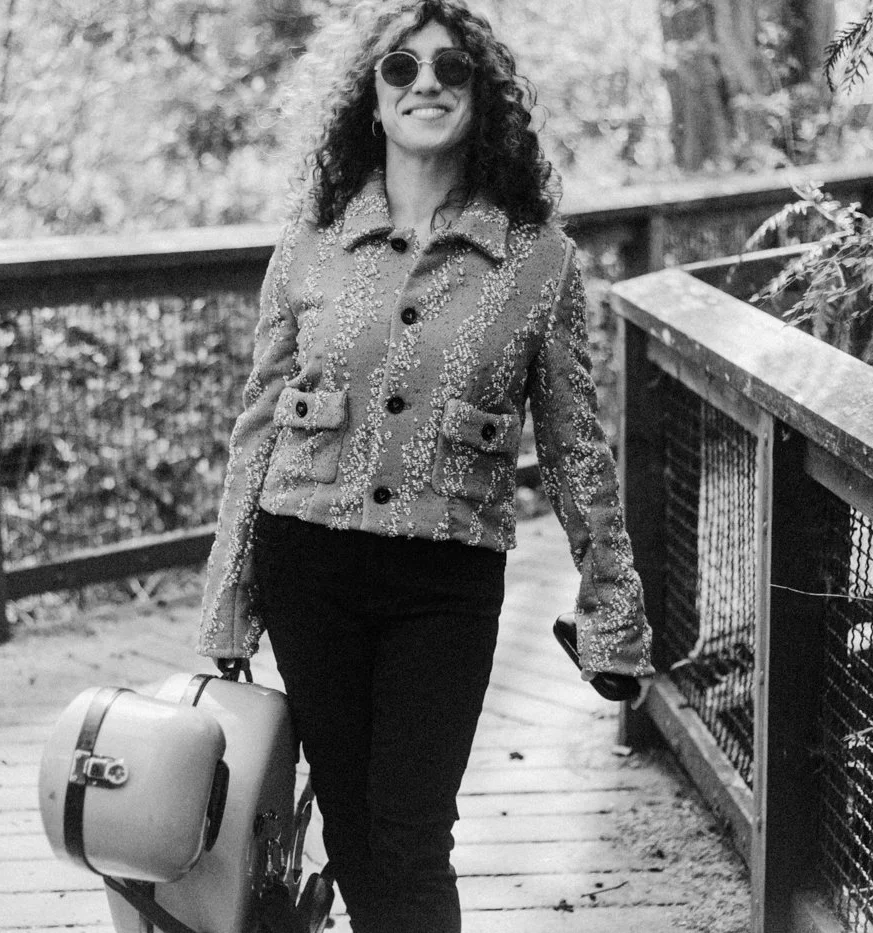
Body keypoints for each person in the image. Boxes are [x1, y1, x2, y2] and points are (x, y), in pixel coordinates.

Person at [196, 2, 654, 930]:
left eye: (452, 69)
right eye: (400, 69)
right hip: (308, 563)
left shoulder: (538, 261)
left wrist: (612, 603)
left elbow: (575, 448)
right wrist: (228, 592)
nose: (427, 84)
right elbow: (258, 423)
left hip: (445, 577)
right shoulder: (312, 241)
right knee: (356, 831)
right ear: (370, 98)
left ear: (484, 95)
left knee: (411, 830)